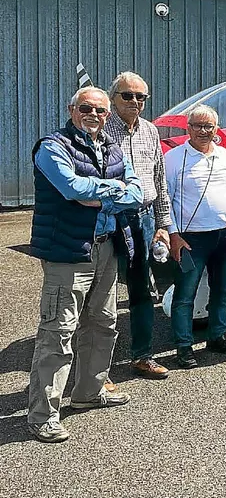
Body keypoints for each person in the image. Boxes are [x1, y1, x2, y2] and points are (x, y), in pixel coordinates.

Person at [27, 86, 144, 443]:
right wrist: (111, 191)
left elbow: (138, 192)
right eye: (87, 108)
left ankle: (89, 392)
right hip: (68, 251)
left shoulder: (110, 147)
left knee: (104, 323)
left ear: (108, 116)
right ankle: (43, 414)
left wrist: (100, 195)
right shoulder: (52, 146)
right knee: (58, 330)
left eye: (101, 111)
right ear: (71, 109)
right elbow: (71, 188)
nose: (94, 115)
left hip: (106, 246)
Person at [104, 71, 172, 380]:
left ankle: (142, 355)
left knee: (142, 288)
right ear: (113, 98)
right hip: (108, 219)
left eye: (140, 97)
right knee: (99, 290)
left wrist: (162, 223)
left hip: (143, 218)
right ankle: (94, 363)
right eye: (127, 96)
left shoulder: (150, 132)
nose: (135, 102)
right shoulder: (100, 131)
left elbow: (159, 180)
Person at [164, 105, 226, 369]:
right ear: (188, 128)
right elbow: (165, 199)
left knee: (223, 290)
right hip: (191, 239)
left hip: (224, 235)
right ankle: (184, 346)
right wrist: (173, 235)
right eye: (197, 125)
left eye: (208, 126)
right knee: (185, 294)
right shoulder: (174, 158)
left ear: (215, 129)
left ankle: (218, 336)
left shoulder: (223, 155)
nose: (202, 131)